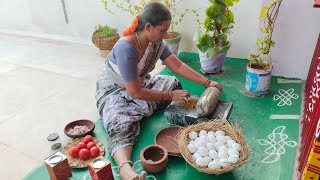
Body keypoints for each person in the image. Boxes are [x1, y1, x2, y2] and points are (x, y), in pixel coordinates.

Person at [95, 2, 222, 180]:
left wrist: (206, 82)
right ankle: (125, 169)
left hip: (140, 84)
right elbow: (135, 92)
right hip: (115, 91)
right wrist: (169, 96)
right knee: (120, 122)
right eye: (162, 30)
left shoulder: (155, 42)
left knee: (173, 83)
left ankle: (141, 112)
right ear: (148, 27)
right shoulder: (126, 48)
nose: (166, 34)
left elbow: (176, 64)